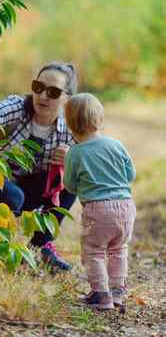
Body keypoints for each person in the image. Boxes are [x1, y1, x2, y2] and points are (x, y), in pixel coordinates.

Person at [0, 61, 78, 270]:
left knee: (72, 179)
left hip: (23, 191)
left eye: (54, 92)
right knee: (14, 195)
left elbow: (92, 160)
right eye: (38, 87)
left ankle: (41, 245)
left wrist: (73, 157)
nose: (43, 96)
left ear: (67, 99)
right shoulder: (17, 107)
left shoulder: (70, 127)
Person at [64, 93, 136, 309]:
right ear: (99, 118)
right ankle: (117, 291)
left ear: (70, 124)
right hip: (125, 206)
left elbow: (70, 186)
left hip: (98, 210)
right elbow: (130, 174)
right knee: (118, 249)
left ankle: (101, 294)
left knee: (94, 251)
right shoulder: (116, 144)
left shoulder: (75, 153)